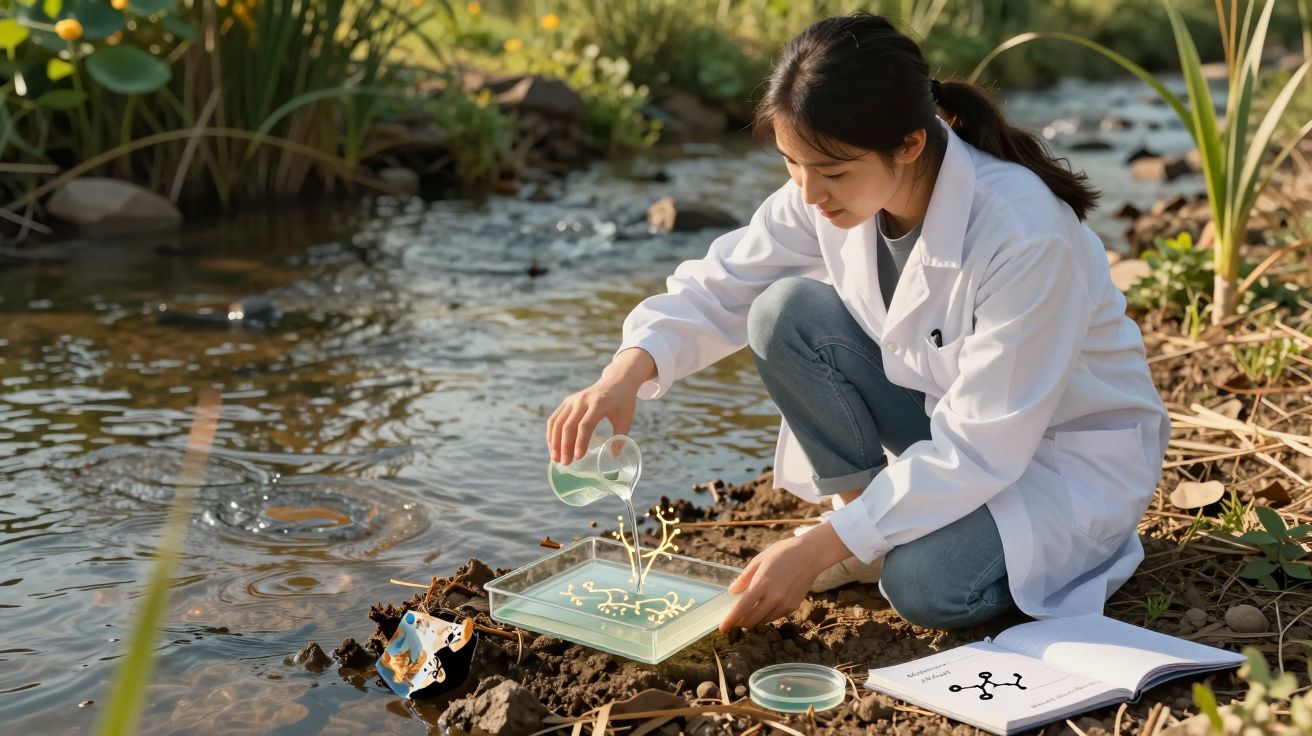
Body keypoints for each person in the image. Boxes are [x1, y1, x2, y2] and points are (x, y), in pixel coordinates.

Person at [545, 12, 1169, 633]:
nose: (810, 193)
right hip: (949, 421)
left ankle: (904, 543)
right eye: (792, 162)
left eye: (833, 171)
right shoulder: (830, 186)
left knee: (924, 586)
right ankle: (869, 534)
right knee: (783, 313)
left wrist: (818, 546)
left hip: (1058, 461)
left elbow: (985, 446)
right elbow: (724, 283)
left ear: (910, 144)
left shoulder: (1024, 234)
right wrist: (624, 374)